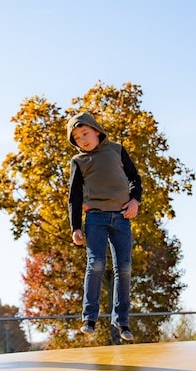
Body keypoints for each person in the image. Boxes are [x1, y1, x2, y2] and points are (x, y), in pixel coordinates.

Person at [67, 112, 142, 341]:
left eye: (85, 134)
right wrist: (75, 227)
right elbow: (74, 196)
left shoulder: (116, 150)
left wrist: (135, 201)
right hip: (95, 218)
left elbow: (134, 178)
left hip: (121, 217)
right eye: (78, 138)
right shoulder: (79, 162)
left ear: (96, 130)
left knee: (124, 268)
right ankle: (89, 317)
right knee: (96, 263)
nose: (83, 140)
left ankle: (122, 321)